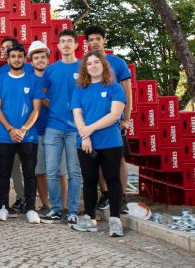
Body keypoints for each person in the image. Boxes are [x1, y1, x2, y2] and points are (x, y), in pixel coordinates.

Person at [70, 51, 127, 237]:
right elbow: (77, 114)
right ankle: (89, 219)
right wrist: (84, 136)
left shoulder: (115, 87)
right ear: (85, 68)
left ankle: (115, 221)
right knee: (89, 181)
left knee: (113, 180)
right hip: (86, 143)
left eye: (96, 62)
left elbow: (114, 115)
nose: (93, 65)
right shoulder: (79, 89)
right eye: (89, 63)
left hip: (110, 141)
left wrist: (90, 129)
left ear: (103, 65)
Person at [0, 44, 44, 224]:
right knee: (4, 173)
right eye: (13, 56)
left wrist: (23, 129)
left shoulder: (33, 80)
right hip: (5, 135)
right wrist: (10, 129)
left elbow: (36, 110)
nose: (17, 59)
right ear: (8, 58)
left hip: (28, 136)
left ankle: (30, 208)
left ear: (24, 58)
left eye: (20, 56)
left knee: (29, 173)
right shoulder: (0, 80)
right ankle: (3, 207)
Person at [84, 25, 133, 214]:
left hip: (114, 121)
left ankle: (120, 197)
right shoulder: (86, 64)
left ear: (104, 40)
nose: (95, 42)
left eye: (98, 38)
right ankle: (105, 194)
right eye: (91, 39)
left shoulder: (118, 63)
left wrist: (126, 118)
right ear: (87, 43)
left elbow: (127, 92)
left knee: (118, 160)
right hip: (92, 121)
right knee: (96, 160)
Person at [40, 29, 83, 224]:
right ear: (57, 46)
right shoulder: (51, 69)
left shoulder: (84, 67)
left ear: (76, 45)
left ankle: (72, 210)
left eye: (69, 41)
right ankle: (56, 208)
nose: (66, 44)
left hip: (76, 128)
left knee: (74, 171)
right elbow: (42, 94)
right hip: (53, 126)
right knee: (51, 170)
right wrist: (56, 108)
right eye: (62, 41)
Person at [27, 41, 67, 214]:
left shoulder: (55, 77)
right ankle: (46, 205)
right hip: (34, 132)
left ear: (48, 58)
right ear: (31, 60)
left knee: (60, 172)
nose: (40, 60)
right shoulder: (27, 79)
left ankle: (63, 206)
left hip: (56, 129)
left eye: (43, 57)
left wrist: (42, 99)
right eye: (36, 57)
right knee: (40, 171)